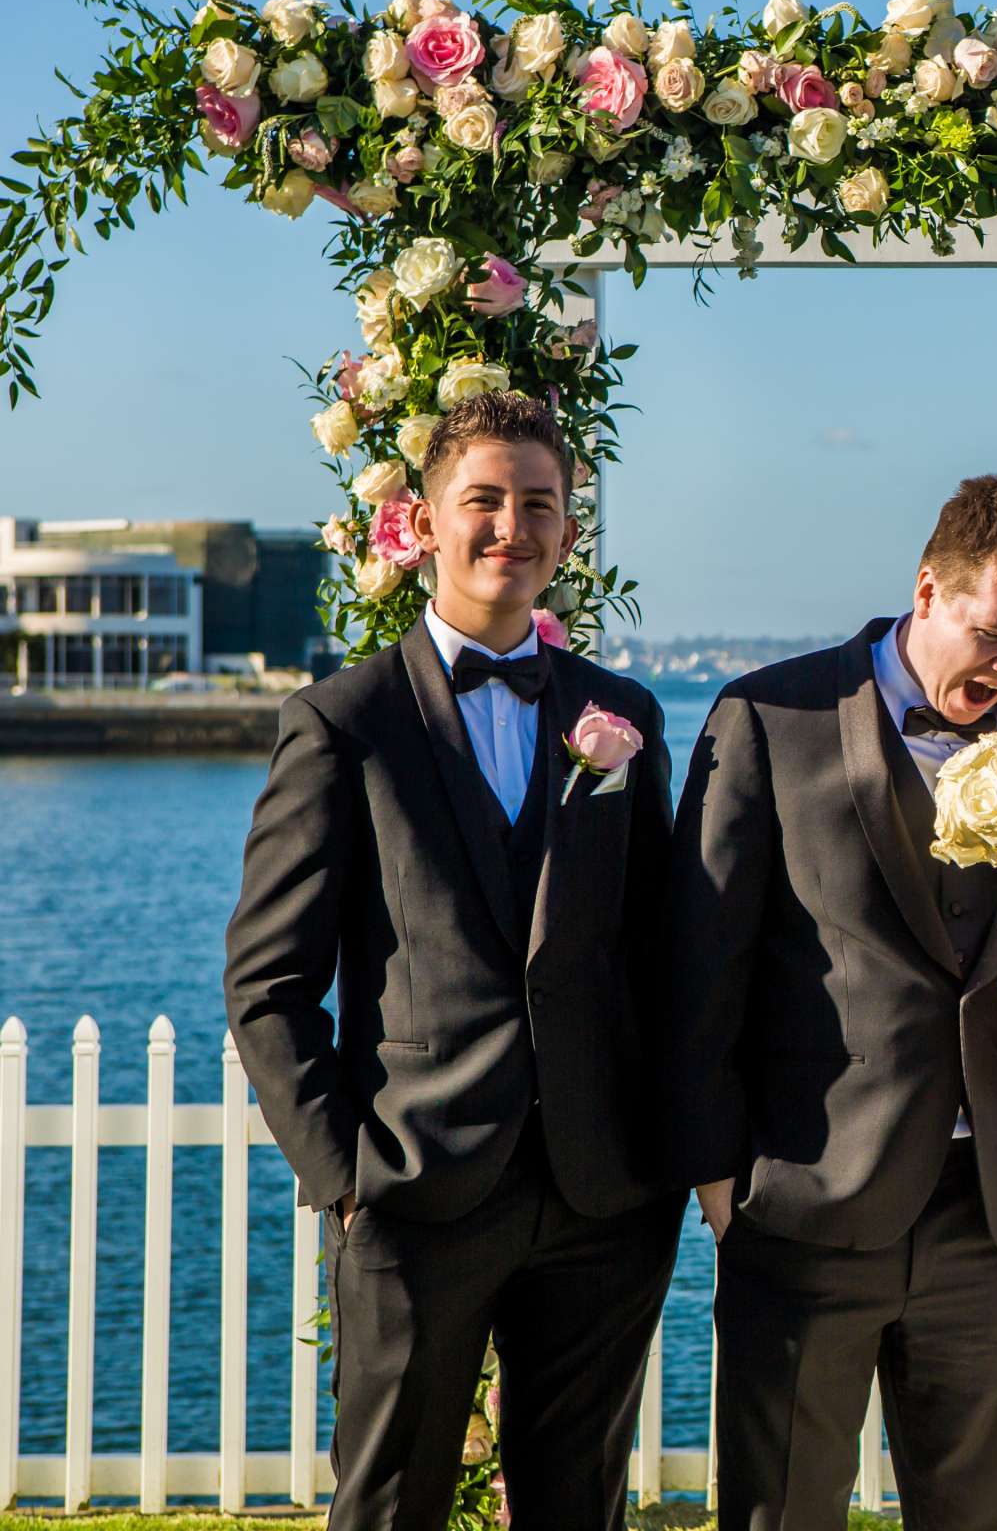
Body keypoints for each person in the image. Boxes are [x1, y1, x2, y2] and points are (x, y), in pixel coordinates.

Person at [223, 392, 682, 1531]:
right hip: (414, 1190)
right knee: (388, 1504)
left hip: (599, 1196)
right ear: (421, 524)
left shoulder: (620, 717)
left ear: (570, 534)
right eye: (483, 500)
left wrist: (660, 1149)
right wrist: (349, 1179)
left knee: (579, 1506)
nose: (510, 528)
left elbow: (663, 948)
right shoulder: (343, 723)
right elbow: (269, 985)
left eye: (540, 505)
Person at [664, 476, 997, 1531]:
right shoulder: (770, 715)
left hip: (986, 1211)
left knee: (977, 1512)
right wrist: (720, 1182)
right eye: (994, 635)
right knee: (784, 1509)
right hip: (807, 1197)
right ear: (927, 589)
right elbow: (697, 967)